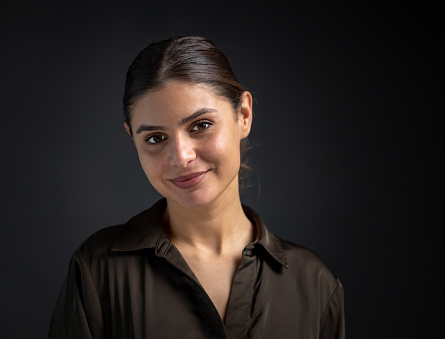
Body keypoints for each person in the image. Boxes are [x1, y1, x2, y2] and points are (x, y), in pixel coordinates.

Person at [48, 35, 345, 339]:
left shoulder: (315, 283)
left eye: (201, 125)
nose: (181, 157)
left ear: (243, 114)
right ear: (132, 138)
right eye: (155, 138)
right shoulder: (97, 271)